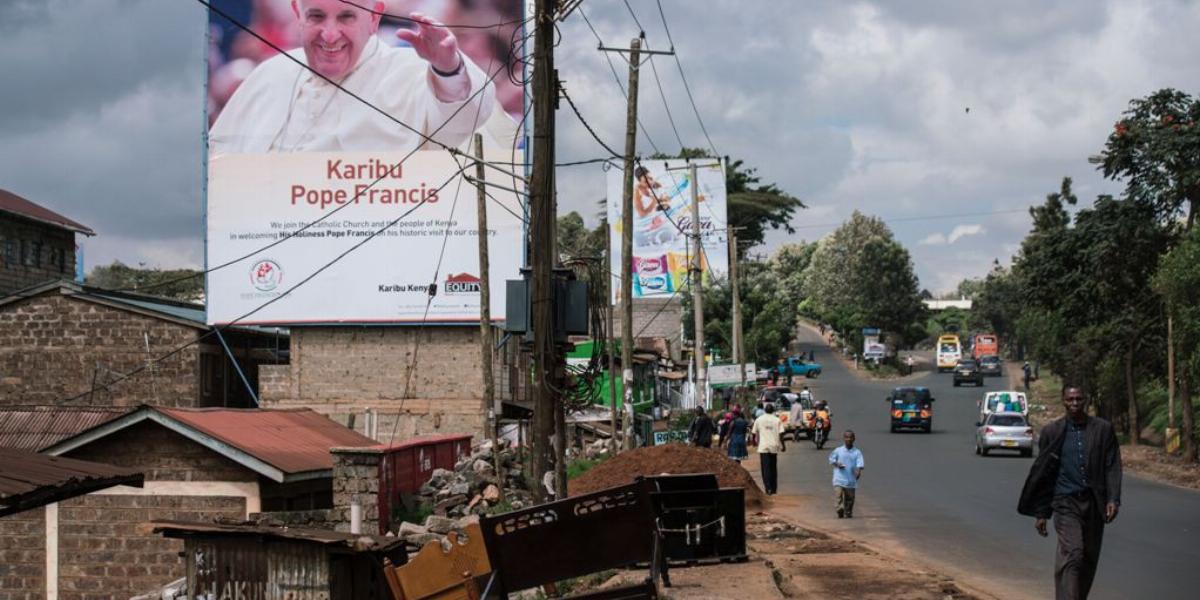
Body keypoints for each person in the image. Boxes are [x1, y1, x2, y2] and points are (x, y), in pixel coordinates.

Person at [210, 0, 496, 154]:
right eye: (316, 17)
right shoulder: (270, 75)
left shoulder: (413, 70)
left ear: (374, 17)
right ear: (298, 12)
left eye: (347, 17)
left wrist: (447, 69)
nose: (330, 34)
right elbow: (218, 173)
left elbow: (465, 121)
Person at [1018, 386, 1122, 600]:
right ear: (1063, 401)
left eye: (1079, 399)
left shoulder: (1103, 430)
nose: (1075, 403)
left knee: (1088, 558)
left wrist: (1113, 498)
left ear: (1086, 400)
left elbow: (1112, 465)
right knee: (1073, 553)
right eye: (1070, 399)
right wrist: (1041, 512)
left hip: (1094, 502)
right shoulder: (1052, 432)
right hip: (1065, 502)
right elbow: (1045, 474)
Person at [751, 403, 786, 495]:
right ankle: (774, 488)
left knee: (765, 469)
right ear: (773, 410)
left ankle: (768, 488)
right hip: (774, 446)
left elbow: (753, 432)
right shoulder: (777, 420)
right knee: (773, 468)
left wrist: (754, 442)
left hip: (763, 447)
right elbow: (781, 434)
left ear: (765, 410)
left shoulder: (759, 419)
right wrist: (783, 445)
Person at [828, 430, 864, 518]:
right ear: (844, 439)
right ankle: (839, 509)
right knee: (838, 496)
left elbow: (860, 464)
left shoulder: (857, 452)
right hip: (839, 479)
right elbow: (831, 459)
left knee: (850, 499)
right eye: (847, 437)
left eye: (851, 437)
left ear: (854, 439)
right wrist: (837, 464)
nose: (849, 439)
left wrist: (858, 471)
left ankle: (848, 511)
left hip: (850, 480)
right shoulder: (838, 450)